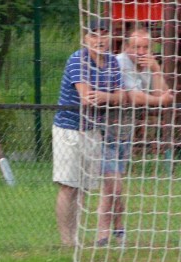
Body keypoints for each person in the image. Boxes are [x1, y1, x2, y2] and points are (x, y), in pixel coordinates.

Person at [95, 28, 175, 246]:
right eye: (136, 47)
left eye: (145, 47)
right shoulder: (119, 63)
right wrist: (160, 101)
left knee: (115, 184)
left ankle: (117, 230)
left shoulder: (147, 66)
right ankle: (104, 234)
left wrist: (157, 70)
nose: (141, 52)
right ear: (126, 48)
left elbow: (164, 94)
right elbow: (137, 97)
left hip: (125, 132)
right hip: (104, 129)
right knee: (114, 184)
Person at [53, 18, 126, 247]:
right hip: (69, 129)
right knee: (69, 186)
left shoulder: (113, 62)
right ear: (85, 38)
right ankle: (67, 241)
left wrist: (107, 97)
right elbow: (87, 97)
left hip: (94, 131)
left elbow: (121, 95)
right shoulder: (77, 60)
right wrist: (108, 97)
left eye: (104, 34)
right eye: (94, 35)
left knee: (83, 187)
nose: (99, 40)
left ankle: (77, 239)